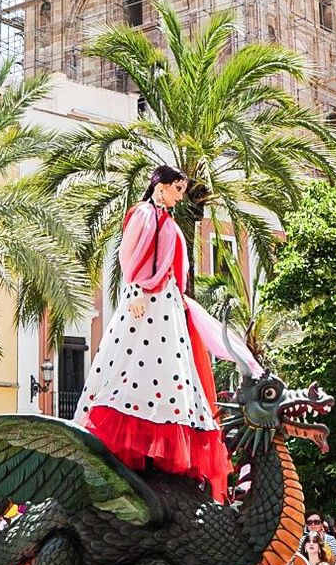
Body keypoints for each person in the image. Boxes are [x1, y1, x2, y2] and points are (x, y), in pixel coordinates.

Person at [73, 165, 261, 502]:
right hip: (147, 302)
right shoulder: (144, 214)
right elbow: (132, 257)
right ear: (160, 187)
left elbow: (172, 266)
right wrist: (143, 289)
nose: (179, 195)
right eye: (176, 188)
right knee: (138, 369)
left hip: (166, 303)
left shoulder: (166, 221)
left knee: (169, 375)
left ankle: (161, 461)